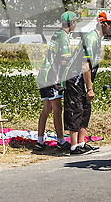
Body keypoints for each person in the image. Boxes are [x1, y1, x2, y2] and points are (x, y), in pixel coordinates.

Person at [62, 12, 111, 155]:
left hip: (82, 79)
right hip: (74, 79)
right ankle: (74, 146)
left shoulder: (97, 39)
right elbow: (85, 65)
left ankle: (82, 142)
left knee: (86, 110)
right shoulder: (91, 38)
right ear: (102, 24)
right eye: (110, 25)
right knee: (76, 110)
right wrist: (90, 88)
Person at [34, 11, 77, 151]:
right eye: (75, 22)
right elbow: (65, 60)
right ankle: (60, 141)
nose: (76, 24)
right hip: (53, 77)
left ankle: (40, 141)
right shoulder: (64, 37)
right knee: (57, 109)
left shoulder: (56, 34)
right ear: (71, 24)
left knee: (46, 109)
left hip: (43, 74)